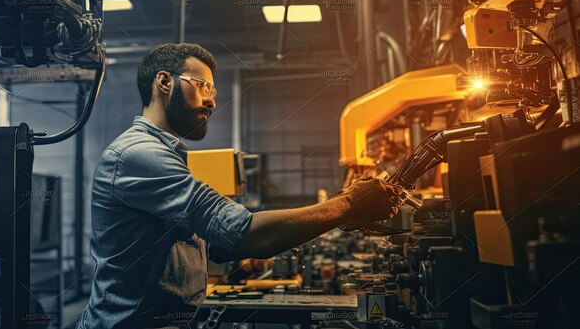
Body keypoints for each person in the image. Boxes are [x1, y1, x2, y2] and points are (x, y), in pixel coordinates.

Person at [75, 43, 405, 329]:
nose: (212, 102)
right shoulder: (139, 155)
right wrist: (348, 204)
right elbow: (244, 232)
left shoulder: (163, 154)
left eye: (213, 92)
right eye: (202, 86)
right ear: (164, 81)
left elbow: (215, 242)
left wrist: (249, 254)